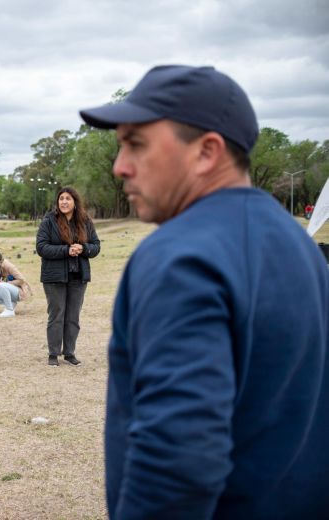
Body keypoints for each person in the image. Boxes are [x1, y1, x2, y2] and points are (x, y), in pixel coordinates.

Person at [80, 65, 329, 518]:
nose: (120, 167)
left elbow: (177, 457)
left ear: (206, 152)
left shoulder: (180, 257)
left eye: (136, 144)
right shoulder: (302, 247)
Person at [36, 187, 100, 367]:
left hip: (78, 276)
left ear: (75, 202)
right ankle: (53, 354)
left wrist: (84, 248)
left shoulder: (85, 221)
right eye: (61, 199)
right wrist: (66, 250)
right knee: (56, 315)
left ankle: (70, 353)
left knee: (73, 317)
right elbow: (42, 247)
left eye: (68, 199)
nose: (64, 202)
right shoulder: (49, 221)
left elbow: (96, 245)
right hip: (54, 277)